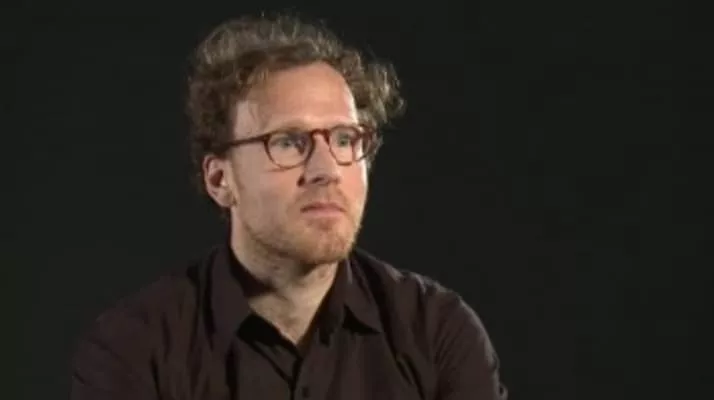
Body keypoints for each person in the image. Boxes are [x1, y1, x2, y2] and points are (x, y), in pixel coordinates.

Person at [70, 13, 508, 400]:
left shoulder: (436, 332)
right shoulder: (135, 348)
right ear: (220, 180)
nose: (326, 170)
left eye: (344, 139)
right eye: (288, 142)